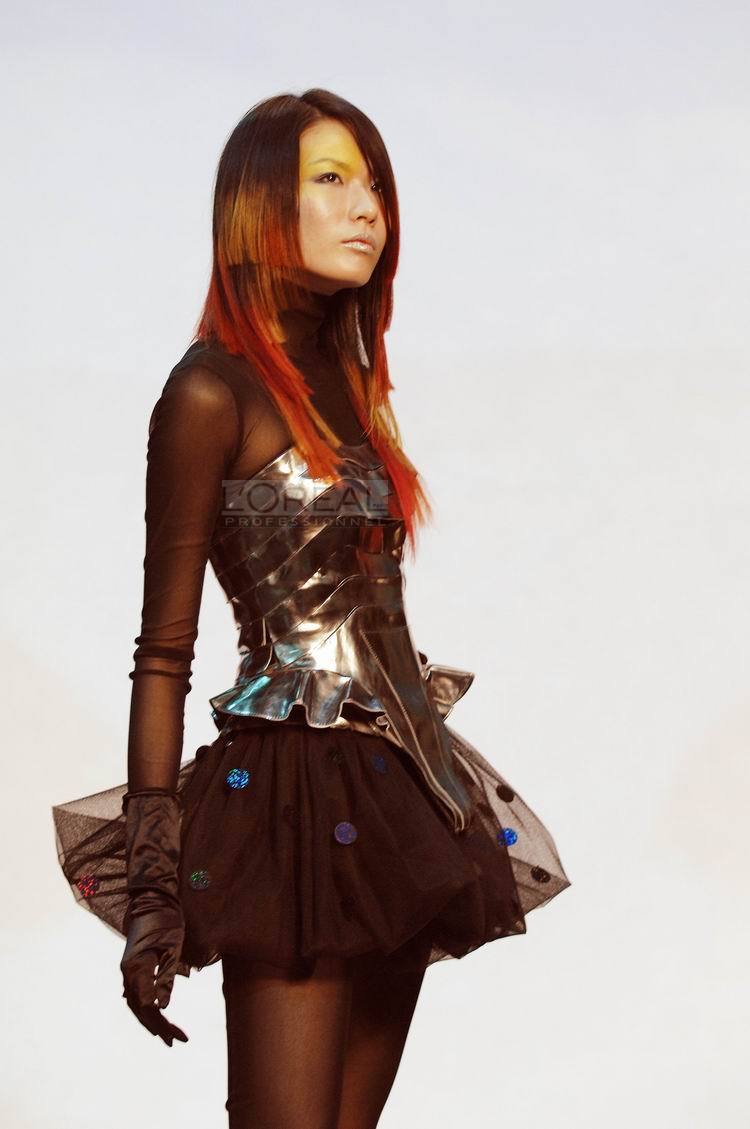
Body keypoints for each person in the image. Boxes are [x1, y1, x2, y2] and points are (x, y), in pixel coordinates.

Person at [52, 88, 571, 1128]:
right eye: (330, 179)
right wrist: (151, 890)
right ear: (257, 205)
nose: (367, 205)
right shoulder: (209, 393)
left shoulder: (350, 379)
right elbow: (162, 654)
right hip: (285, 803)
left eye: (372, 181)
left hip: (406, 790)